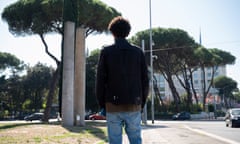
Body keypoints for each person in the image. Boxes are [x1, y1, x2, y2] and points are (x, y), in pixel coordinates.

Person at [96, 16, 149, 144]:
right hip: (134, 104)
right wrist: (141, 103)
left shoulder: (106, 52)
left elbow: (100, 81)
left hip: (112, 105)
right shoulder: (138, 52)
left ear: (112, 32)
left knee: (114, 141)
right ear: (128, 32)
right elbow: (145, 81)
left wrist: (103, 104)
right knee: (136, 140)